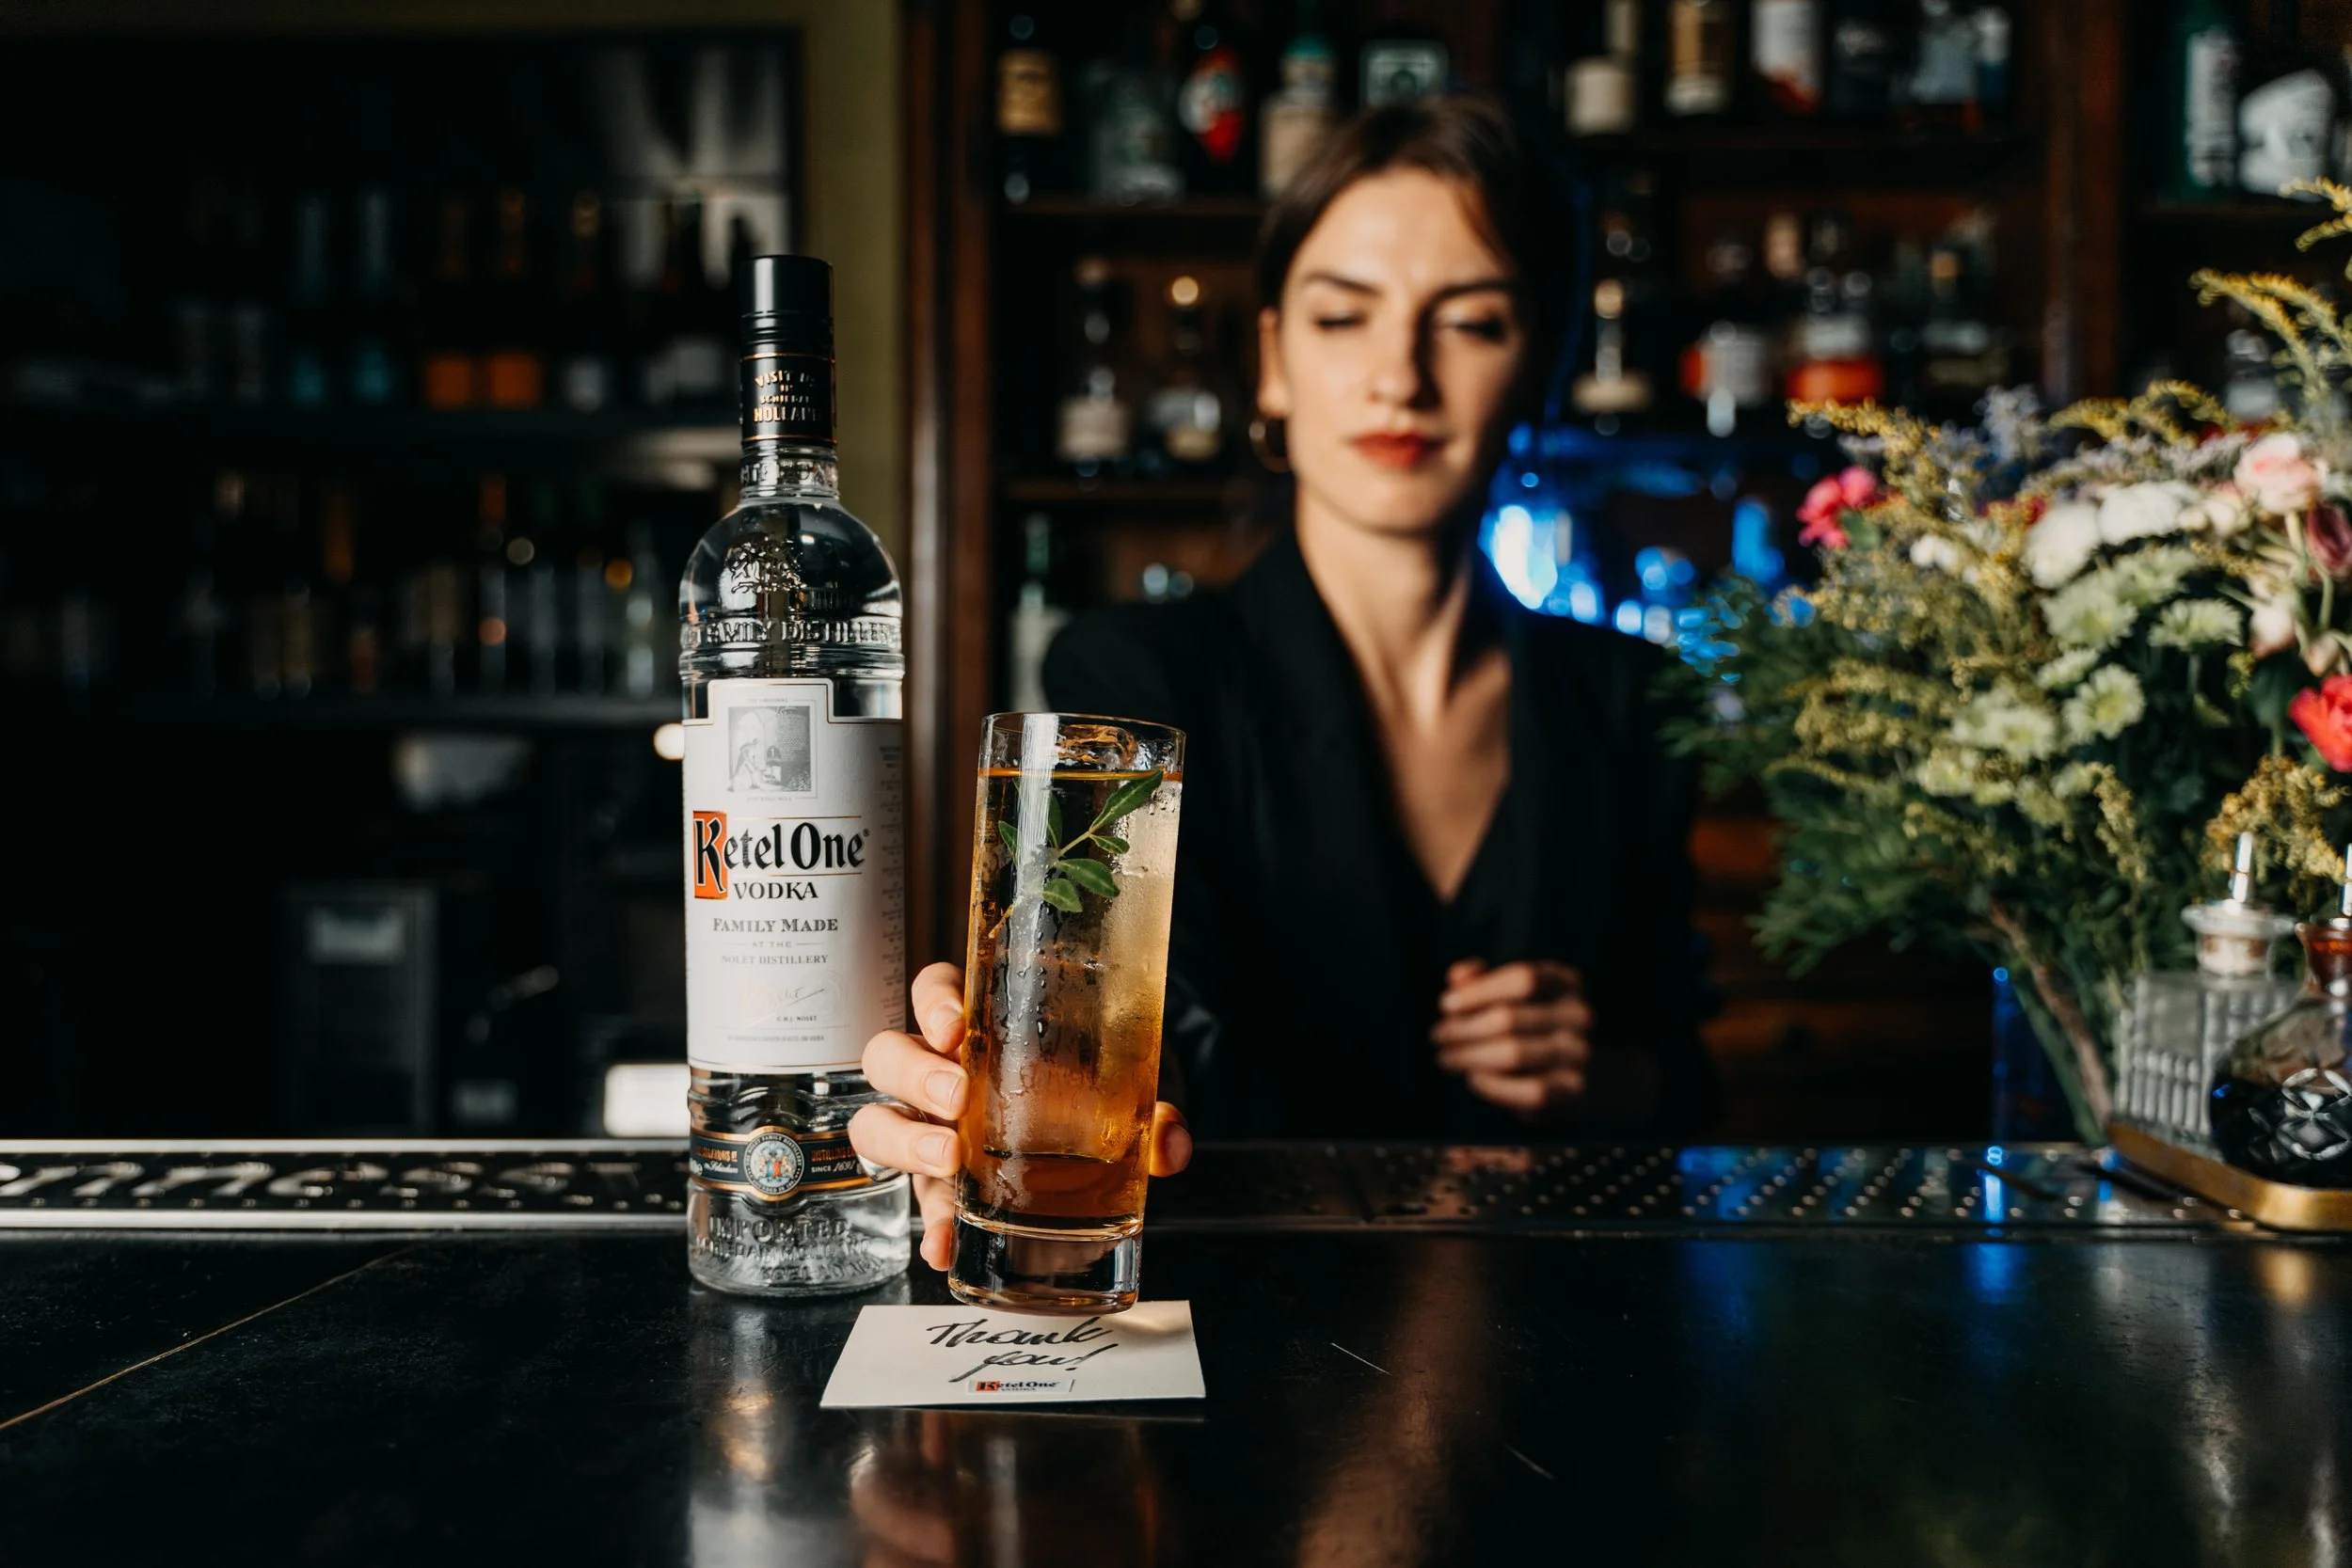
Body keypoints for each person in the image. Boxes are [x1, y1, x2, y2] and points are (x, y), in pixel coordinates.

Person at [854, 96, 1712, 1269]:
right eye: (1341, 317)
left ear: (1541, 365)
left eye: (1467, 323)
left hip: (1569, 1345)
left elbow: (1695, 1095)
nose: (1397, 376)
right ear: (1271, 363)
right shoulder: (1136, 680)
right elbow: (1160, 1074)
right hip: (1255, 1351)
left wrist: (1599, 1075)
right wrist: (995, 1085)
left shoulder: (1632, 704)